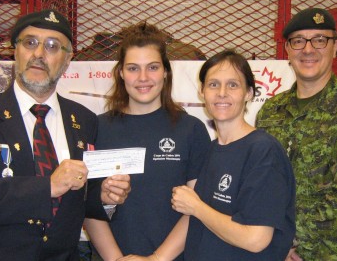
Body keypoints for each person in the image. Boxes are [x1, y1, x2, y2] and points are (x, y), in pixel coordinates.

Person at [0, 9, 130, 261]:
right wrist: (47, 187)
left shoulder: (83, 120)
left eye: (52, 46)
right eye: (30, 43)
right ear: (15, 51)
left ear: (67, 59)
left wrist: (104, 197)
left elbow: (79, 199)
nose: (39, 54)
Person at [119, 50, 296, 261]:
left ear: (249, 93)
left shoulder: (263, 151)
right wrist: (155, 259)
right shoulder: (212, 150)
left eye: (233, 84)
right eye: (213, 84)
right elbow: (196, 219)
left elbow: (256, 240)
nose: (222, 92)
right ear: (202, 91)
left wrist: (197, 207)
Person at [256, 8, 337, 261]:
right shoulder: (271, 111)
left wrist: (292, 238)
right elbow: (260, 182)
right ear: (288, 50)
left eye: (320, 40)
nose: (308, 49)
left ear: (335, 47)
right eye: (299, 41)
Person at [84, 22, 211, 260]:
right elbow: (89, 205)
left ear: (165, 71)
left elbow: (197, 208)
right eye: (133, 68)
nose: (143, 78)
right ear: (121, 73)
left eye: (152, 67)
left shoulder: (191, 129)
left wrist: (156, 259)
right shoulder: (97, 128)